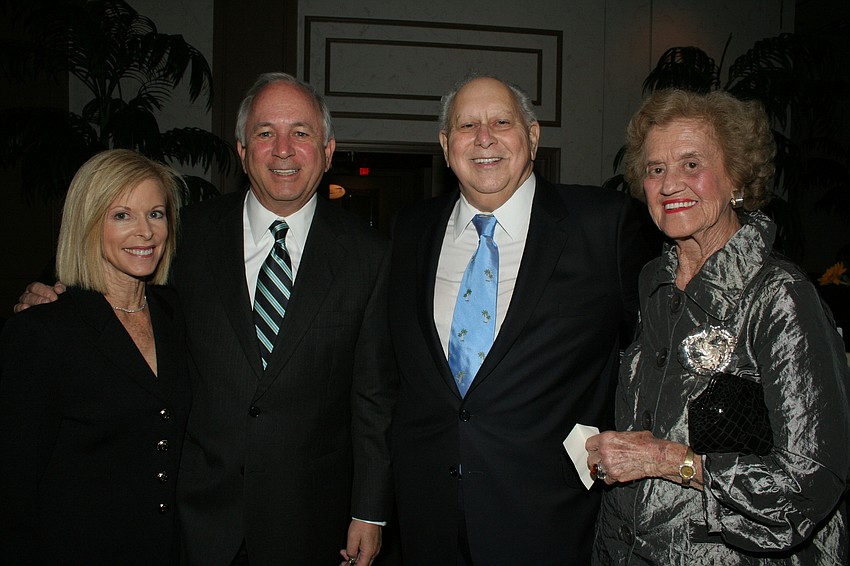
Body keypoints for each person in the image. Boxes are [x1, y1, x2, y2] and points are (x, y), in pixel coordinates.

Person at [15, 73, 397, 565]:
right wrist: (50, 292)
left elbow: (374, 398)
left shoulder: (370, 255)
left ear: (327, 151)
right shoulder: (182, 236)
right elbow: (107, 275)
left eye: (301, 133)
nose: (283, 149)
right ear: (242, 151)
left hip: (310, 519)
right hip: (190, 518)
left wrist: (370, 511)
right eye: (265, 132)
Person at [388, 74, 654, 565]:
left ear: (532, 137)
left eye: (501, 122)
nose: (484, 138)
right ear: (446, 146)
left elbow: (650, 356)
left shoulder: (603, 223)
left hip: (553, 519)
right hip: (429, 516)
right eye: (467, 125)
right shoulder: (410, 229)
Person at [586, 89, 850, 564]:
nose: (670, 185)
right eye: (655, 169)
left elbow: (810, 481)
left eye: (691, 164)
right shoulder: (653, 281)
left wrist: (669, 460)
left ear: (736, 179)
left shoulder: (780, 296)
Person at [0, 149, 190, 564]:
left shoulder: (178, 315)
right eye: (122, 215)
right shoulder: (43, 331)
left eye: (156, 214)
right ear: (87, 224)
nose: (146, 232)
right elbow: (13, 486)